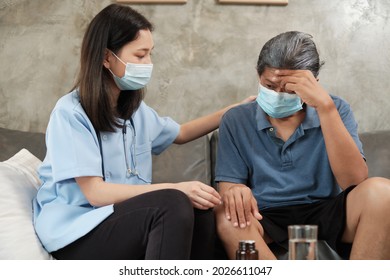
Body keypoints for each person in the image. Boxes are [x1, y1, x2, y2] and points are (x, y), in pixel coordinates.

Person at [32, 4, 254, 260]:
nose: (148, 63)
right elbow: (95, 192)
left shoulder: (134, 110)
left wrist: (233, 111)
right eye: (140, 55)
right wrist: (176, 188)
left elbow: (180, 133)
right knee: (173, 201)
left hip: (118, 219)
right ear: (106, 58)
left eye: (150, 54)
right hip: (76, 231)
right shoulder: (70, 113)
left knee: (201, 207)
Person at [214, 31, 390, 260]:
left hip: (327, 210)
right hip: (266, 215)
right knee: (225, 215)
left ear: (313, 84)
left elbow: (354, 182)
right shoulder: (236, 119)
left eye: (289, 90)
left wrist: (325, 108)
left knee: (382, 192)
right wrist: (235, 191)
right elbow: (229, 189)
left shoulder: (336, 108)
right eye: (270, 85)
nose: (278, 95)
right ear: (259, 77)